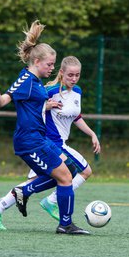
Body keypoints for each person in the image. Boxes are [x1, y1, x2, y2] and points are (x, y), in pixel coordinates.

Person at [0, 20, 89, 235]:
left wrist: (45, 105)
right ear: (37, 61)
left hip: (40, 139)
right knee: (65, 177)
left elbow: (33, 104)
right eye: (50, 65)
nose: (53, 69)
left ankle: (20, 195)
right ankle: (65, 224)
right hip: (29, 141)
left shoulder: (34, 80)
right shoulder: (26, 80)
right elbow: (4, 101)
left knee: (67, 170)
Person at [29, 56, 101, 220]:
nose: (74, 79)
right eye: (70, 75)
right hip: (51, 144)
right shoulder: (50, 91)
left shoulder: (77, 92)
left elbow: (76, 117)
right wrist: (46, 105)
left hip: (56, 144)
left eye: (77, 75)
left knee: (33, 182)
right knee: (85, 171)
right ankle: (51, 201)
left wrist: (92, 134)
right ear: (61, 73)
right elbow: (31, 109)